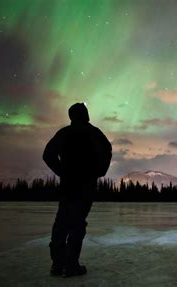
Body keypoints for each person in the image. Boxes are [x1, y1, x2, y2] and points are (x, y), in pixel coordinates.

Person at [43, 103, 112, 277]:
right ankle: (71, 265)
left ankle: (58, 264)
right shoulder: (94, 133)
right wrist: (98, 172)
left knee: (62, 222)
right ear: (85, 115)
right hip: (85, 185)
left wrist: (62, 172)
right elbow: (107, 151)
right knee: (77, 223)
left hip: (68, 185)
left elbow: (48, 154)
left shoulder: (65, 133)